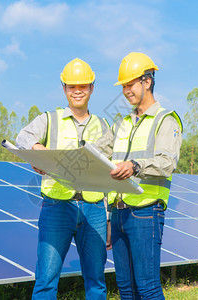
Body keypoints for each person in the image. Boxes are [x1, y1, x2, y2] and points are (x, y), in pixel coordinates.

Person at [16, 58, 110, 300]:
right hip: (57, 206)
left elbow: (110, 173)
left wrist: (108, 218)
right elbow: (23, 137)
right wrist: (39, 152)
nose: (77, 91)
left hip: (95, 208)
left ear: (92, 87)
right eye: (71, 86)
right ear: (64, 89)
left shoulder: (104, 126)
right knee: (46, 281)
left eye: (83, 86)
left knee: (96, 282)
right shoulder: (49, 119)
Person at [94, 52, 183, 299]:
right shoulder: (120, 123)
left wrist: (135, 166)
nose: (126, 91)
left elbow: (167, 163)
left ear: (147, 81)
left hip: (146, 212)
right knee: (125, 288)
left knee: (147, 287)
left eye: (130, 84)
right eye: (123, 85)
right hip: (119, 213)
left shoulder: (165, 120)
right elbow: (94, 154)